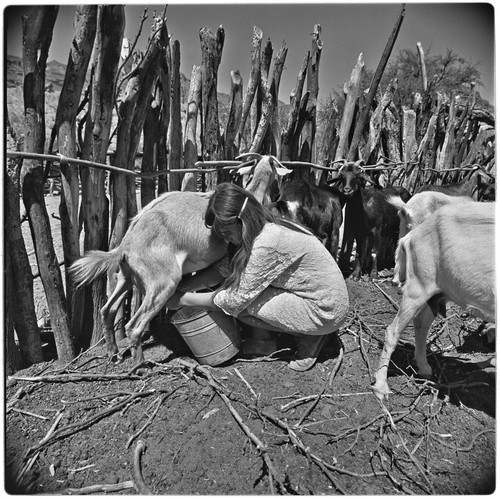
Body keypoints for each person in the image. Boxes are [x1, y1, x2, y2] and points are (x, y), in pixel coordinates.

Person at [167, 182, 349, 371]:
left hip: (325, 310)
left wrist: (183, 299)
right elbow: (225, 269)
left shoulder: (267, 243)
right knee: (242, 291)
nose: (225, 239)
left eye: (227, 233)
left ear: (241, 221)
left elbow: (235, 300)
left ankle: (309, 335)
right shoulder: (264, 226)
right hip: (323, 298)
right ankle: (272, 338)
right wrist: (181, 287)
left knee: (242, 306)